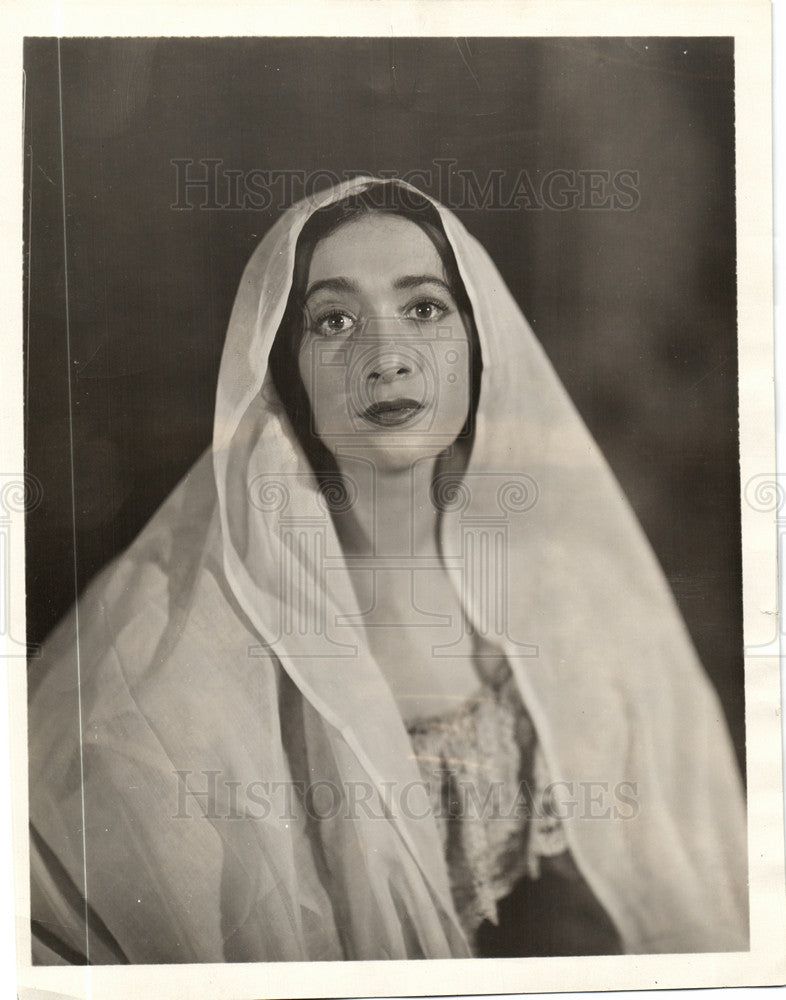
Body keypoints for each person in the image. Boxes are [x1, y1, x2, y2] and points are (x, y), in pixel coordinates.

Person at [28, 176, 748, 964]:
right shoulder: (172, 641)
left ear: (480, 346)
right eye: (334, 321)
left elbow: (684, 883)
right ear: (287, 378)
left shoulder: (570, 588)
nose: (387, 358)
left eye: (425, 309)